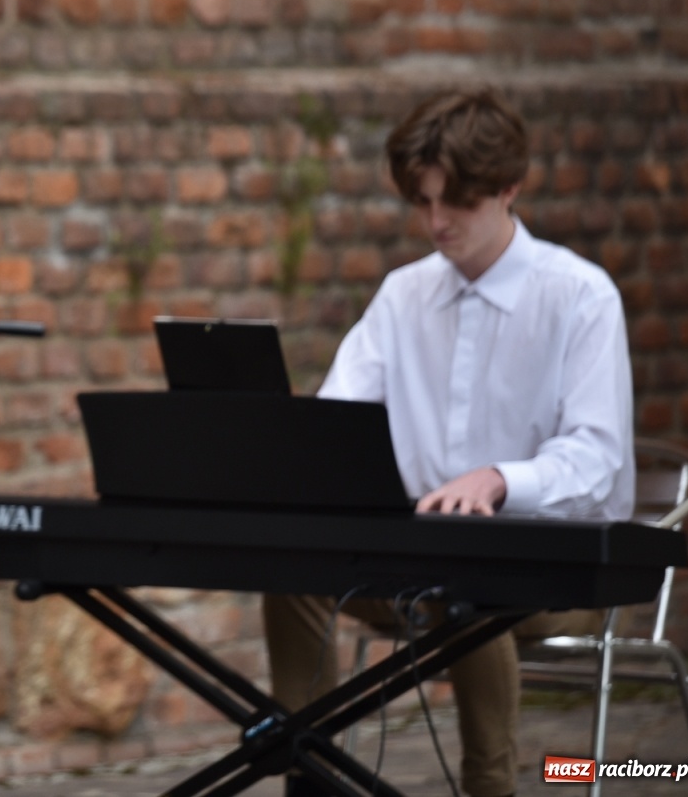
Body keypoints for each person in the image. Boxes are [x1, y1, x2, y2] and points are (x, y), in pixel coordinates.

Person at [262, 90, 634, 797]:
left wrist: (499, 479)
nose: (435, 223)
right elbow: (334, 420)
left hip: (555, 572)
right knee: (292, 572)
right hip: (419, 565)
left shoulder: (581, 297)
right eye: (422, 202)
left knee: (471, 583)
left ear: (508, 188)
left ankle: (489, 788)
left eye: (454, 204)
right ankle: (310, 775)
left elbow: (598, 458)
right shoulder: (403, 297)